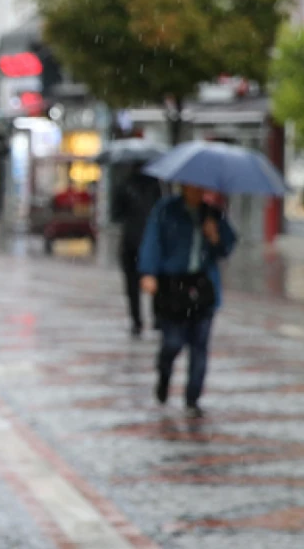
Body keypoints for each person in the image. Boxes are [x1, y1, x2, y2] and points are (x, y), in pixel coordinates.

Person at [138, 183, 237, 419]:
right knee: (172, 342)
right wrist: (148, 272)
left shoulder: (212, 213)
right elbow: (153, 241)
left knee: (199, 345)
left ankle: (192, 398)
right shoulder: (165, 210)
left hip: (203, 286)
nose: (196, 190)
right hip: (172, 286)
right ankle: (164, 374)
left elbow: (227, 246)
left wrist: (215, 237)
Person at [112, 164, 165, 337]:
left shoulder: (125, 185)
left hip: (131, 241)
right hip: (151, 239)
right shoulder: (155, 185)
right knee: (155, 279)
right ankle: (157, 318)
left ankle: (137, 321)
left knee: (132, 284)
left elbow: (115, 214)